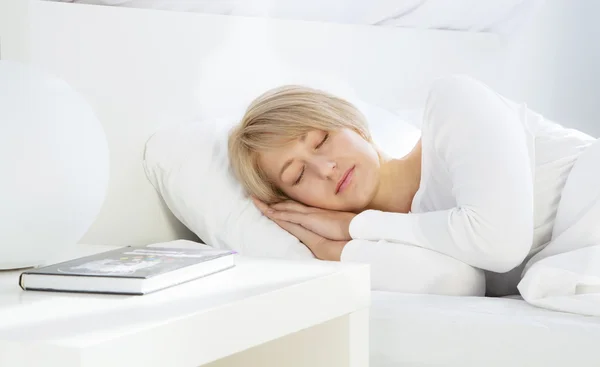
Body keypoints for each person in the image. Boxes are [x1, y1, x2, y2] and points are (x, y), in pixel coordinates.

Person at [228, 75, 598, 295]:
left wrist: (351, 225)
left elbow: (500, 245)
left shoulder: (453, 104)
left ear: (352, 124)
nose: (325, 168)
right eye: (297, 176)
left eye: (322, 139)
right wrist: (325, 247)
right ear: (295, 202)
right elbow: (460, 284)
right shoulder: (395, 238)